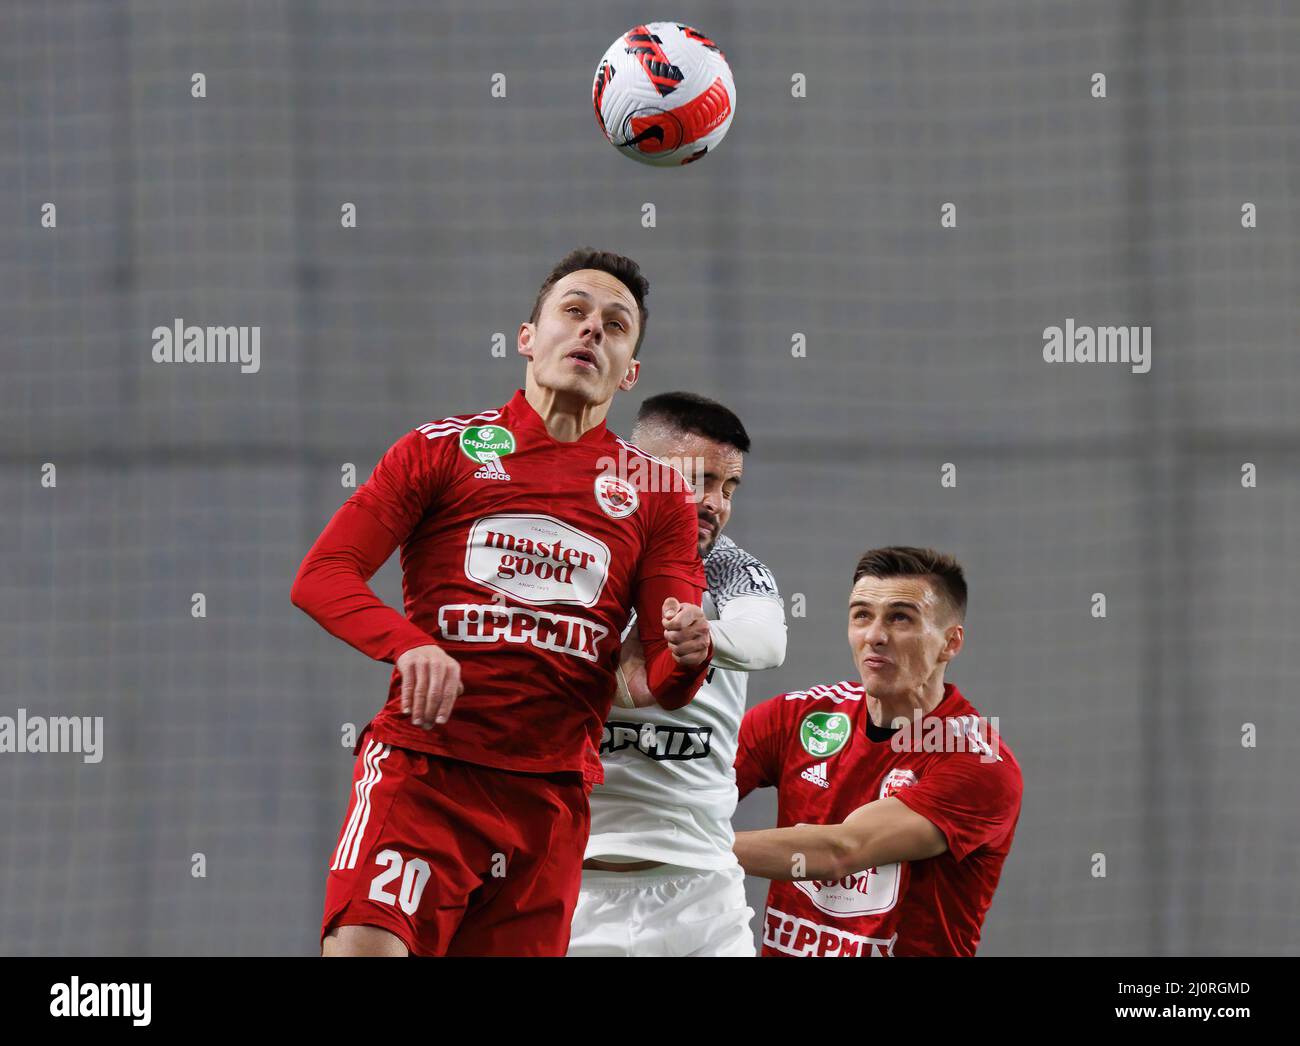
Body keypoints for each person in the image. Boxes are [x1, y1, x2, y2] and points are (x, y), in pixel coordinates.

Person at [291, 248, 713, 956]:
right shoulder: (442, 450)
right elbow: (324, 572)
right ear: (528, 336)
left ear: (630, 371)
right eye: (573, 312)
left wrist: (691, 653)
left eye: (615, 326)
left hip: (547, 803)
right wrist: (410, 644)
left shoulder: (658, 492)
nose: (591, 332)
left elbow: (667, 679)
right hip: (426, 771)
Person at [567, 392, 787, 956]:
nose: (714, 503)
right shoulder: (576, 556)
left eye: (728, 488)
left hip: (702, 896)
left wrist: (701, 639)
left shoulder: (731, 566)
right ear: (634, 471)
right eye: (699, 480)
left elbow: (767, 642)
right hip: (571, 889)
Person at [733, 547, 1022, 956]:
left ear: (950, 643)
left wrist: (683, 848)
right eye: (861, 615)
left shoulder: (979, 765)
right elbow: (693, 794)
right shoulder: (794, 717)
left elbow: (841, 852)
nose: (875, 636)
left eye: (900, 617)